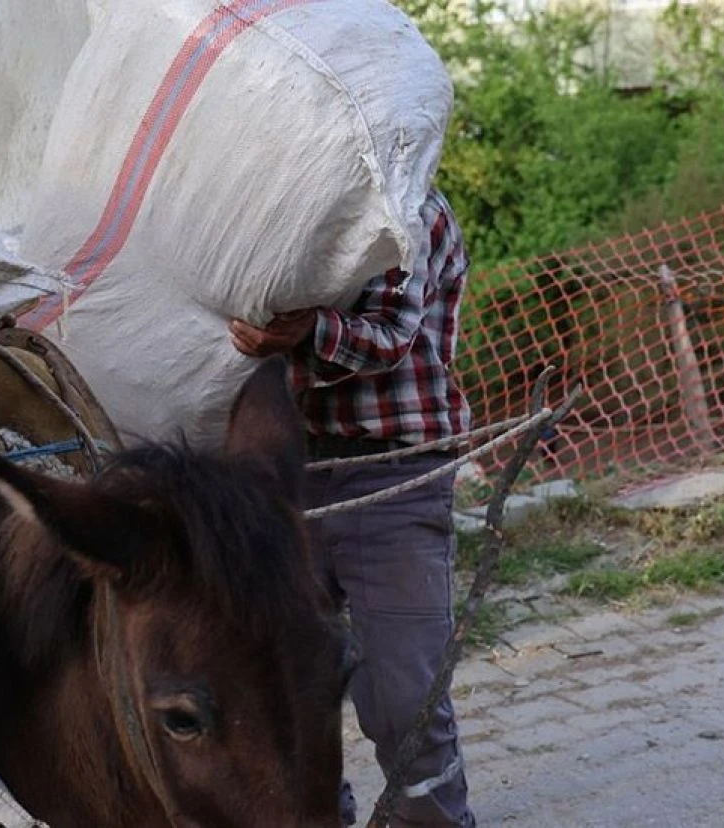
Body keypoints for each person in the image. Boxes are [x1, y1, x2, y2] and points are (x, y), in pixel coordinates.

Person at [229, 186, 476, 828]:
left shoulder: (405, 206)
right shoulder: (282, 212)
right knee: (284, 690)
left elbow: (390, 335)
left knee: (402, 695)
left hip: (392, 472)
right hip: (286, 477)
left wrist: (306, 330)